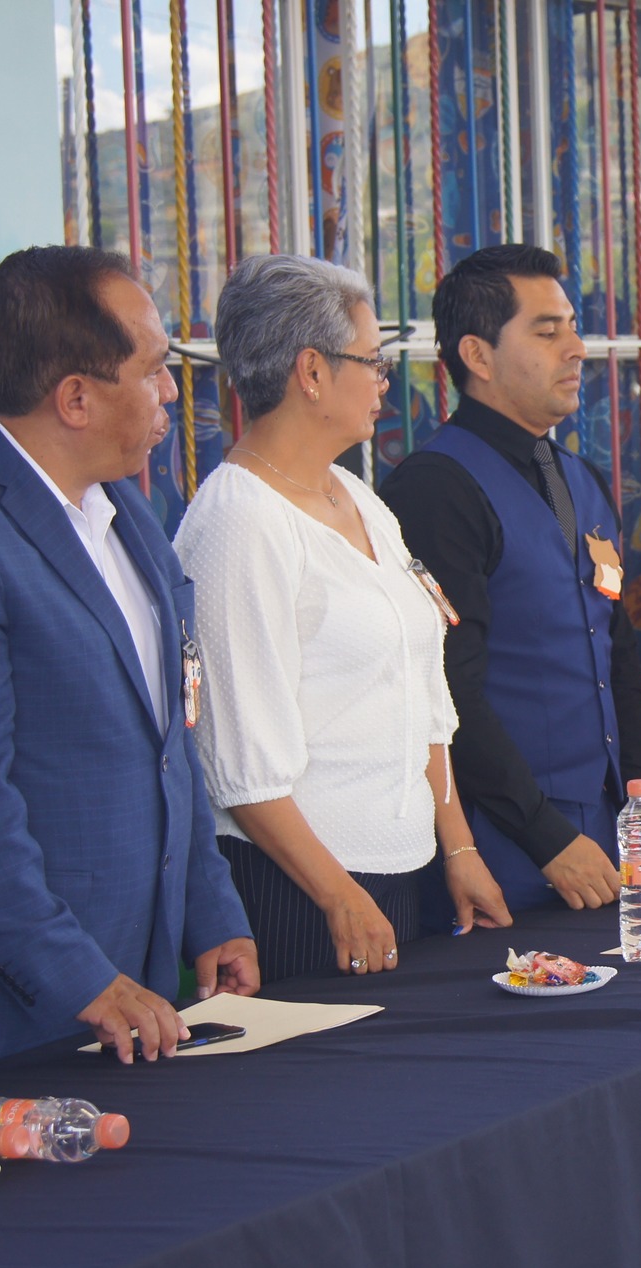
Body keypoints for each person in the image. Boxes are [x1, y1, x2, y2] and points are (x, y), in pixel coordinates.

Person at [0, 247, 258, 1081]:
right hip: (12, 1016)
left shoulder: (125, 505)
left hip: (136, 998)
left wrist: (212, 911)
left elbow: (172, 741)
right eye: (156, 369)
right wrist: (80, 976)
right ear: (76, 397)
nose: (173, 392)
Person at [176, 256, 507, 982]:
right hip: (299, 891)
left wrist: (458, 846)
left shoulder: (362, 500)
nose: (386, 381)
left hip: (402, 871)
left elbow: (426, 700)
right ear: (312, 372)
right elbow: (240, 766)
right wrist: (337, 895)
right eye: (373, 361)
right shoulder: (239, 522)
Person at [382, 244, 641, 915]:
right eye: (547, 332)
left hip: (607, 826)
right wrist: (546, 838)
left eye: (573, 326)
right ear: (477, 356)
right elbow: (447, 691)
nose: (576, 347)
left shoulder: (581, 476)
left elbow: (619, 651)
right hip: (505, 841)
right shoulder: (437, 488)